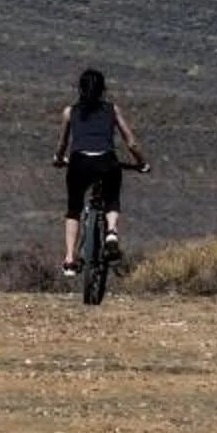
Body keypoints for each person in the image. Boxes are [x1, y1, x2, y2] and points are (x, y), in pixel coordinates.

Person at [52, 66, 149, 281]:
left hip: (79, 162)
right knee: (112, 198)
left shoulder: (70, 112)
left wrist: (58, 159)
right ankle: (111, 232)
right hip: (106, 161)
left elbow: (63, 144)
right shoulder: (112, 110)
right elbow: (131, 143)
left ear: (80, 89)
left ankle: (70, 259)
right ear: (103, 89)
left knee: (74, 209)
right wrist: (142, 163)